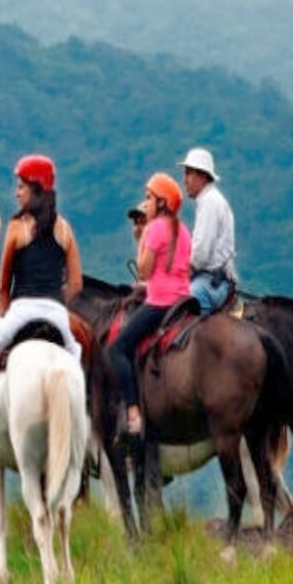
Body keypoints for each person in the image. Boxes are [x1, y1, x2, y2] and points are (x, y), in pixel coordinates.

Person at [0, 155, 83, 485]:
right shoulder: (65, 228)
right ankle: (81, 443)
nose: (16, 192)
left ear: (36, 188)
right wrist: (56, 302)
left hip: (22, 310)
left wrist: (3, 311)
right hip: (57, 314)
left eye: (21, 186)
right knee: (78, 367)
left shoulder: (17, 228)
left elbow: (3, 286)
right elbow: (77, 284)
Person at [106, 173, 191, 433]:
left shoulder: (155, 229)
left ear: (162, 203)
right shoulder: (184, 230)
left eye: (149, 198)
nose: (146, 203)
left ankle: (133, 410)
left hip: (160, 302)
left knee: (118, 348)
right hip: (185, 300)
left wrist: (143, 240)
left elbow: (143, 270)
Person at [181, 147, 238, 314]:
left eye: (189, 173)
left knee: (187, 318)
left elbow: (200, 255)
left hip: (211, 282)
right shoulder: (209, 200)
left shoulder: (209, 203)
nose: (185, 180)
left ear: (203, 176)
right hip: (211, 279)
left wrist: (178, 276)